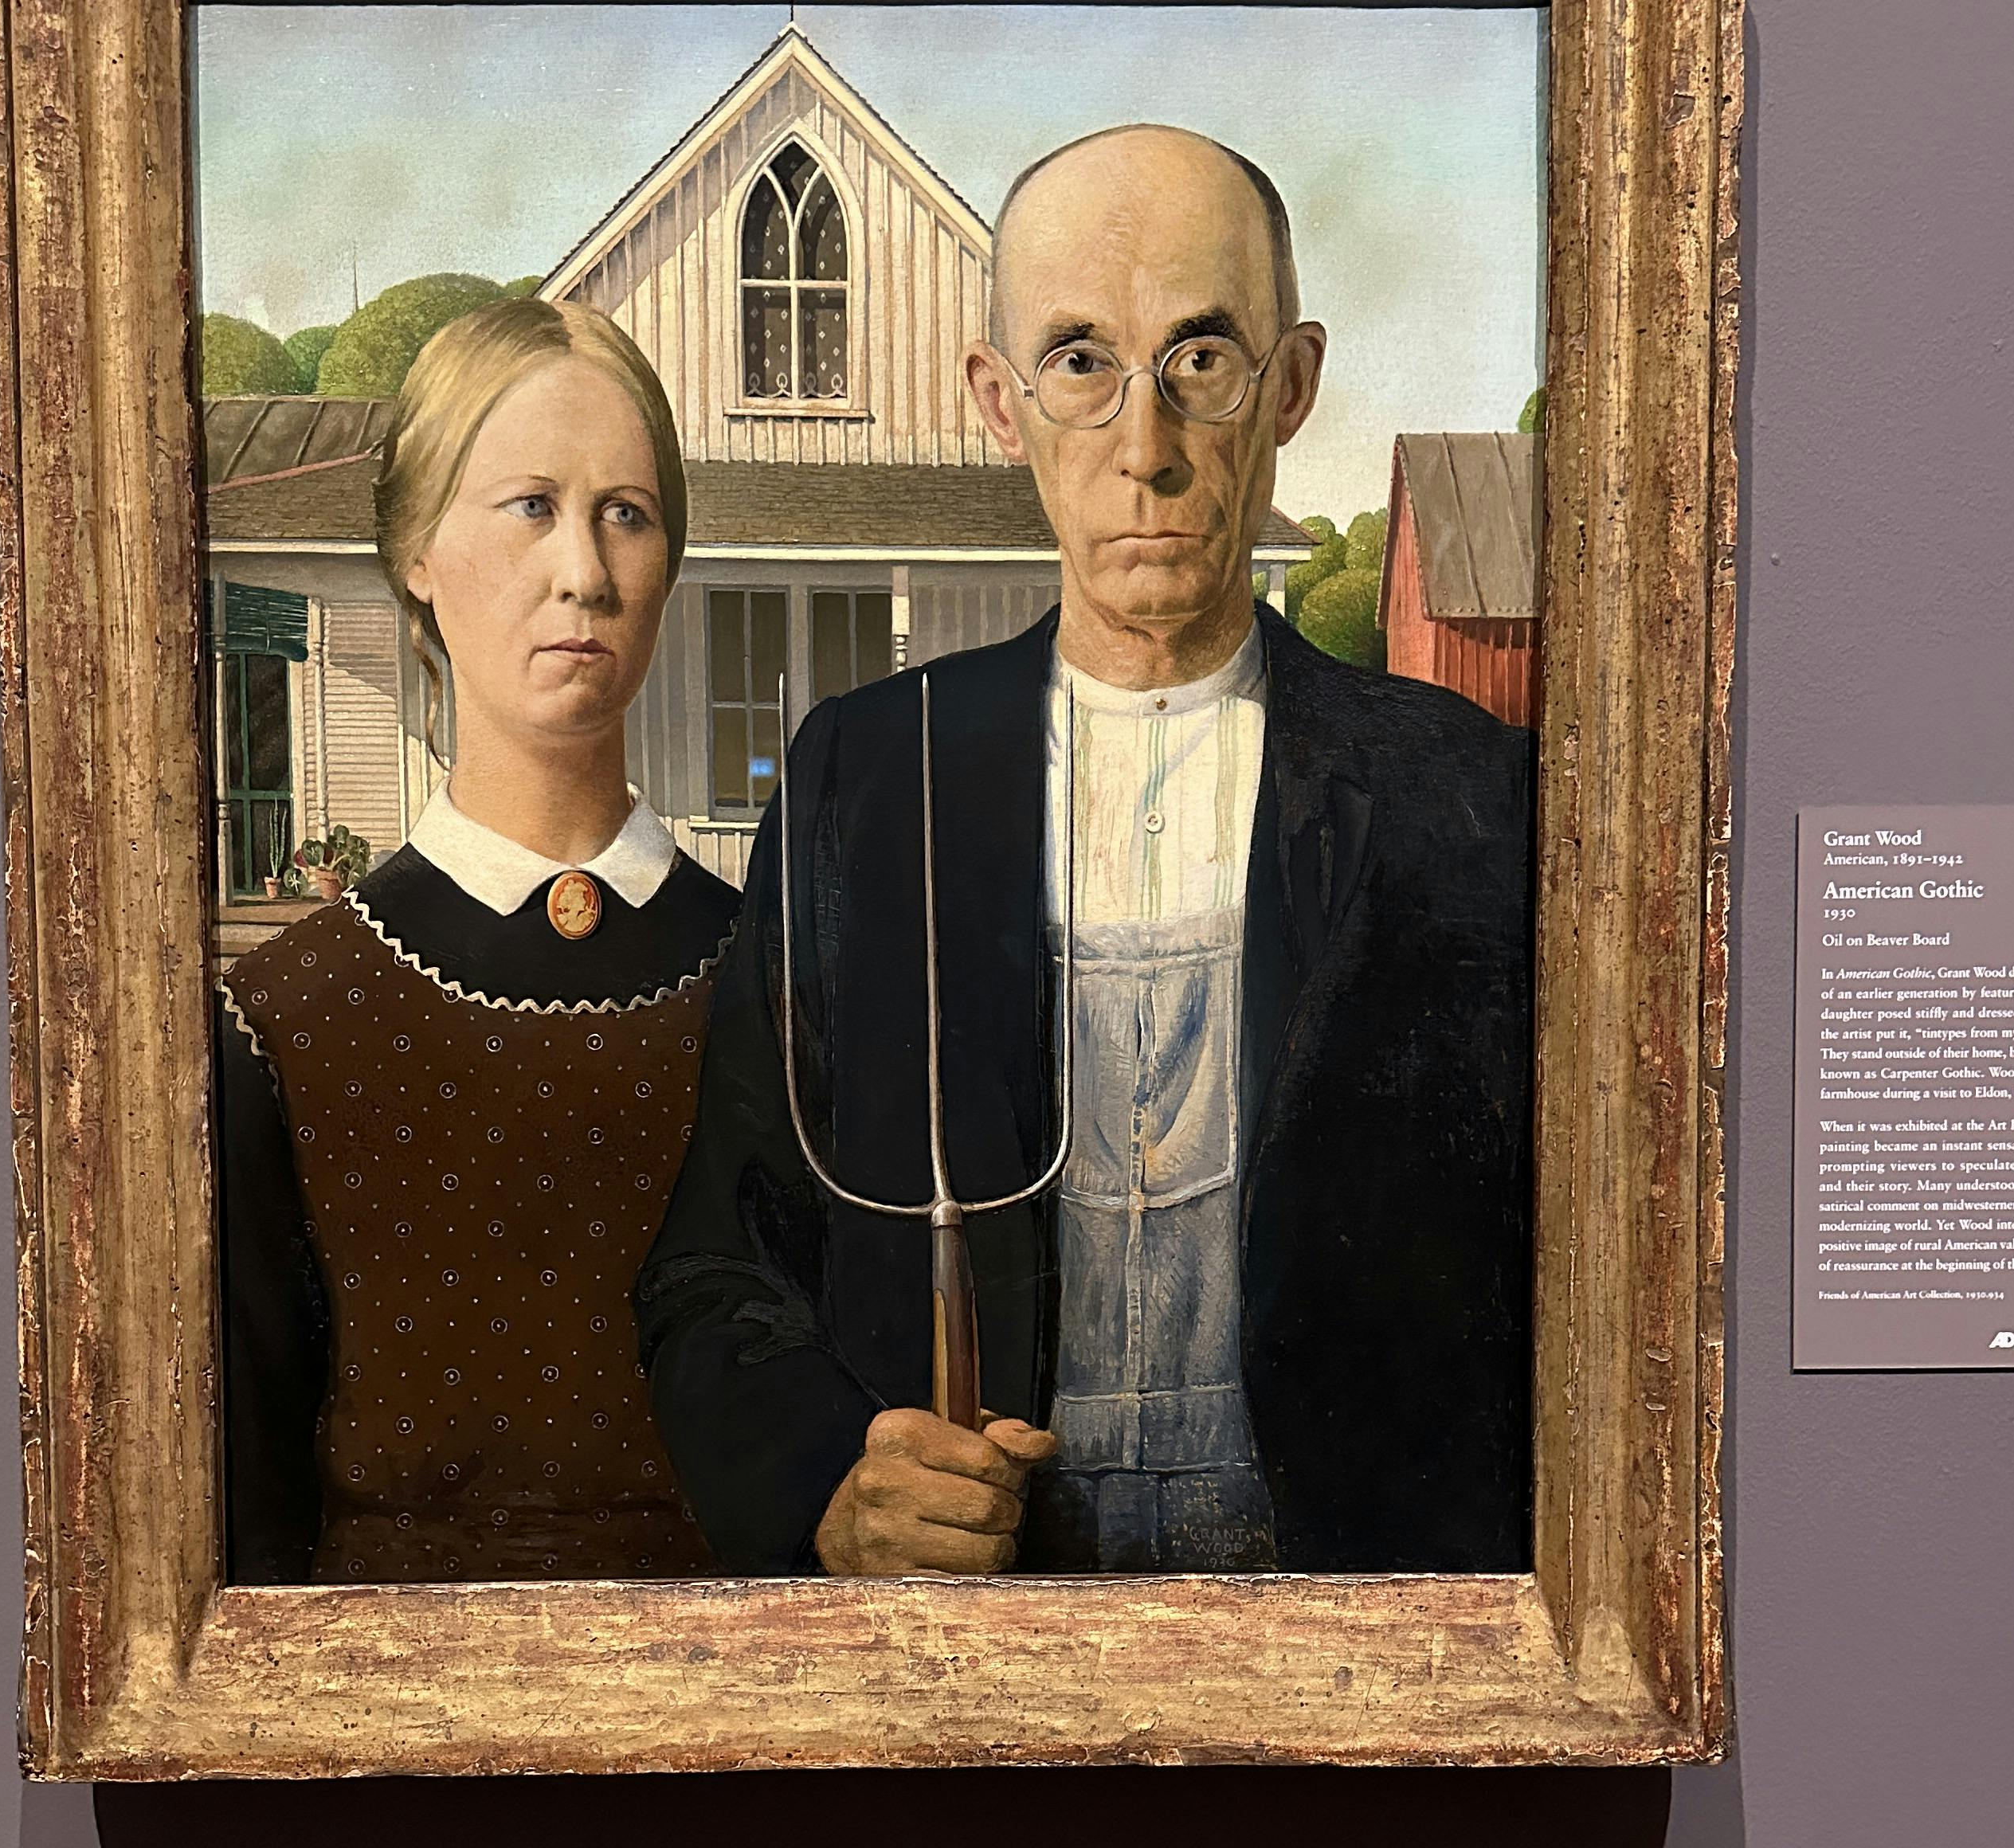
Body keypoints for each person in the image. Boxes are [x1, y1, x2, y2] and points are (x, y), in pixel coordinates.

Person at [634, 124, 1534, 1579]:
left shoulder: (1462, 795)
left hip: (1352, 1615)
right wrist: (828, 1485)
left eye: (1201, 360)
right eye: (1079, 363)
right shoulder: (873, 778)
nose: (1145, 450)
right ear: (1002, 401)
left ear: (1292, 385)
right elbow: (716, 1266)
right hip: (980, 1617)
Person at [218, 300, 737, 1582]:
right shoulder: (283, 1020)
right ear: (416, 554)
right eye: (530, 507)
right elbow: (246, 1532)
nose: (585, 573)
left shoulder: (778, 976)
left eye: (627, 513)